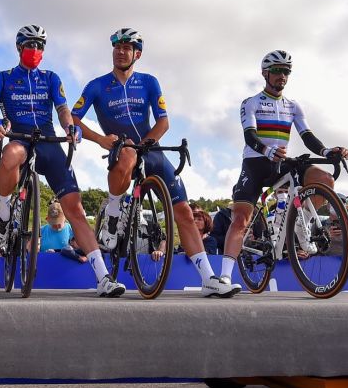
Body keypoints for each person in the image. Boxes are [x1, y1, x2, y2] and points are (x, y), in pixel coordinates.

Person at [73, 28, 232, 297]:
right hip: (121, 149)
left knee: (184, 212)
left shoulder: (148, 82)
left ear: (137, 54)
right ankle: (113, 212)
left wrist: (146, 143)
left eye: (127, 47)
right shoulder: (97, 85)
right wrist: (100, 139)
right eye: (117, 47)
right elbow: (73, 118)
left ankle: (208, 278)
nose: (121, 51)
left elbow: (163, 121)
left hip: (150, 149)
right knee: (128, 154)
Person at [0, 24, 121, 296]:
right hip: (20, 138)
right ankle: (4, 213)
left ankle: (103, 277)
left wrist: (70, 127)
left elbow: (62, 109)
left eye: (40, 45)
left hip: (48, 141)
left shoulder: (51, 78)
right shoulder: (1, 77)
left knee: (76, 210)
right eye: (30, 44)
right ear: (19, 48)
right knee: (10, 154)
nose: (35, 49)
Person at [219, 50, 348, 289]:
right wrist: (266, 150)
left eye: (286, 71)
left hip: (281, 162)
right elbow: (250, 136)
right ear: (265, 73)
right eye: (278, 70)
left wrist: (327, 151)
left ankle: (300, 224)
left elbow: (308, 136)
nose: (282, 75)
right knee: (240, 218)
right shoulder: (251, 102)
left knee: (324, 179)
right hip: (256, 164)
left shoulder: (293, 106)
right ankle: (224, 277)